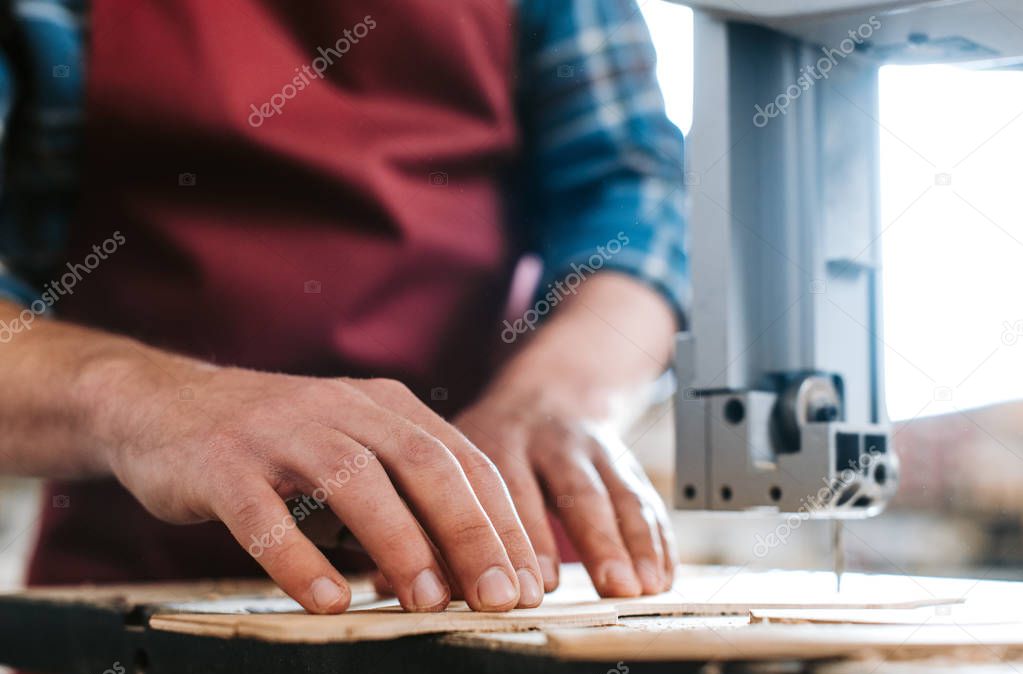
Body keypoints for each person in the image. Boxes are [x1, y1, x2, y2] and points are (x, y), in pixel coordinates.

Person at [0, 0, 688, 626]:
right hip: (139, 595)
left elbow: (632, 198)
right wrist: (142, 401)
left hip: (501, 574)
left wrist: (559, 395)